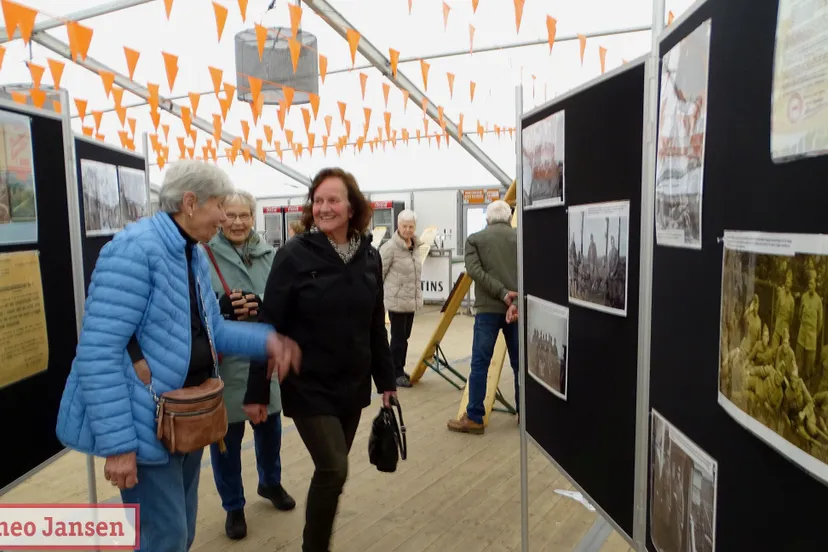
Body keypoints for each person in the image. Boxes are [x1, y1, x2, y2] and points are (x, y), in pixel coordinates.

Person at [54, 160, 301, 552]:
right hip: (144, 424)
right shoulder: (134, 251)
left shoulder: (192, 253)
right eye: (219, 205)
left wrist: (268, 341)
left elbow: (213, 330)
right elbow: (98, 353)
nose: (224, 217)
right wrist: (119, 447)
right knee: (162, 538)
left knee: (180, 533)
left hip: (185, 417)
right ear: (190, 202)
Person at [244, 167, 398, 552]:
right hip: (307, 384)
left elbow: (375, 327)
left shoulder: (370, 257)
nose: (324, 207)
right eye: (318, 201)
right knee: (334, 468)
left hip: (352, 386)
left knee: (331, 473)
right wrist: (257, 392)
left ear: (352, 207)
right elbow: (270, 325)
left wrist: (388, 383)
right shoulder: (293, 255)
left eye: (333, 200)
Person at [201, 190, 296, 540]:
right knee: (226, 438)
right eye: (231, 215)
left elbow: (286, 298)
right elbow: (193, 303)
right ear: (221, 217)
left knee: (270, 428)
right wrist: (223, 304)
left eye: (245, 215)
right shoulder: (203, 255)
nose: (238, 222)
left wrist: (263, 303)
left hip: (264, 357)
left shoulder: (270, 255)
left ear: (254, 217)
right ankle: (233, 505)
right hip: (224, 363)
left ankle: (270, 482)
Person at [447, 200, 519, 435]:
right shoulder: (522, 238)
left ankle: (475, 417)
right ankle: (525, 415)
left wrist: (500, 293)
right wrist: (513, 299)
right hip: (516, 311)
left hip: (488, 310)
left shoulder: (475, 240)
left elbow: (474, 272)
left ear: (487, 219)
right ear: (509, 217)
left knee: (480, 364)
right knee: (520, 365)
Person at [380, 209, 424, 388]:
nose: (408, 230)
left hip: (410, 301)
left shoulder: (414, 246)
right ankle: (394, 373)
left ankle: (399, 367)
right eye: (405, 226)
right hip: (396, 301)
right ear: (398, 226)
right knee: (398, 338)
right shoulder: (390, 248)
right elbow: (379, 272)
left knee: (404, 337)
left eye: (411, 226)